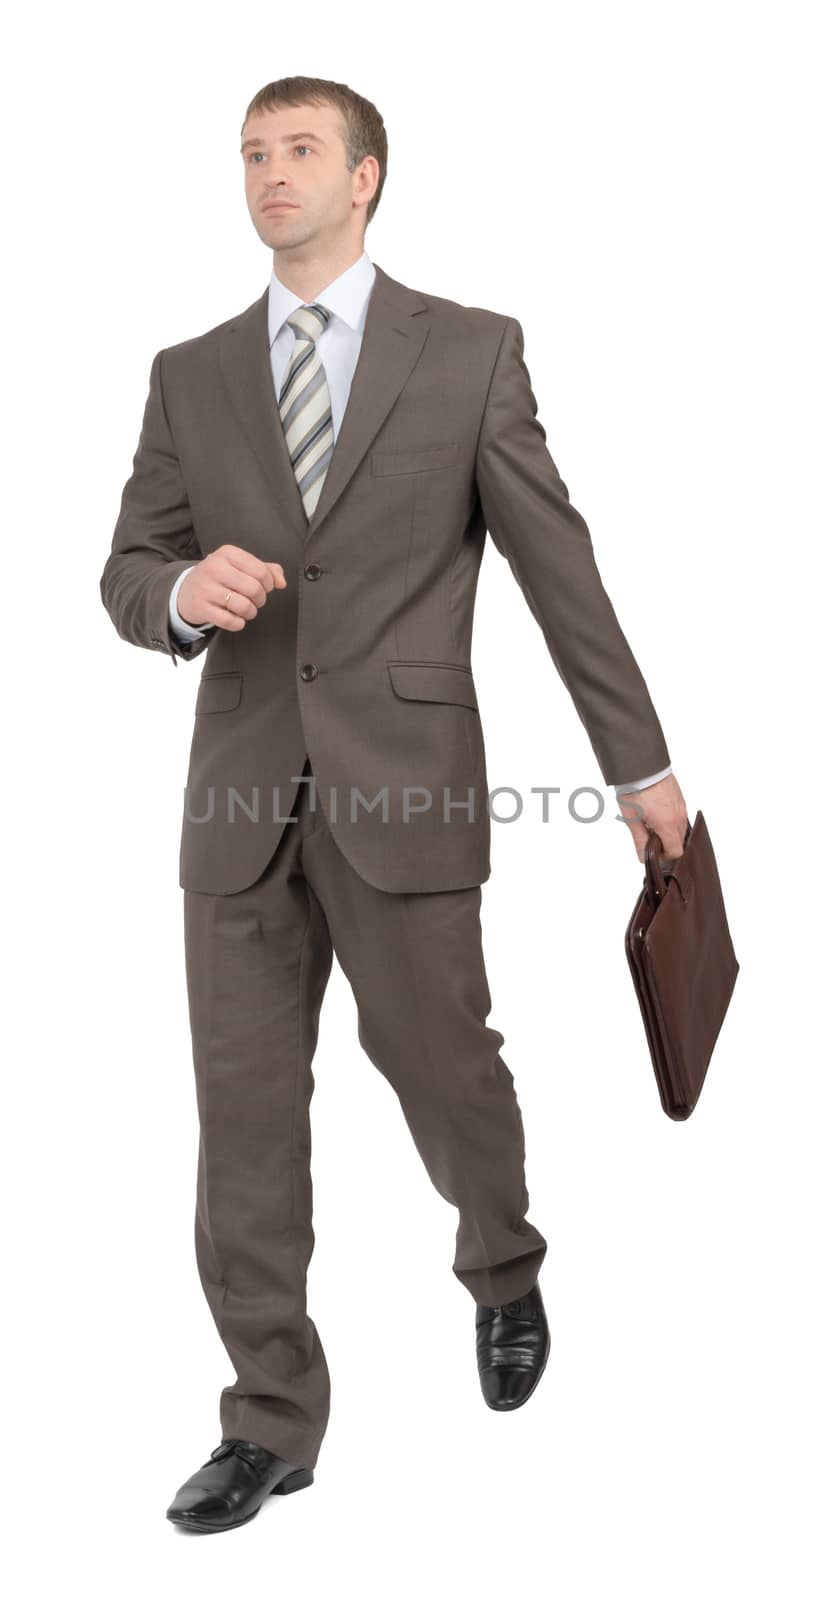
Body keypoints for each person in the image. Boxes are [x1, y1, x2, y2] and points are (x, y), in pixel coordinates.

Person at [100, 75, 688, 1535]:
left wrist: (638, 766)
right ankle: (271, 1420)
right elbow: (127, 567)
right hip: (238, 801)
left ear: (366, 177)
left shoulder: (471, 353)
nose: (269, 174)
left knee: (444, 1069)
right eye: (251, 153)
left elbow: (562, 572)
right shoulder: (191, 371)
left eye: (300, 151)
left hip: (406, 790)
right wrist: (179, 592)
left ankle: (503, 1263)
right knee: (241, 1125)